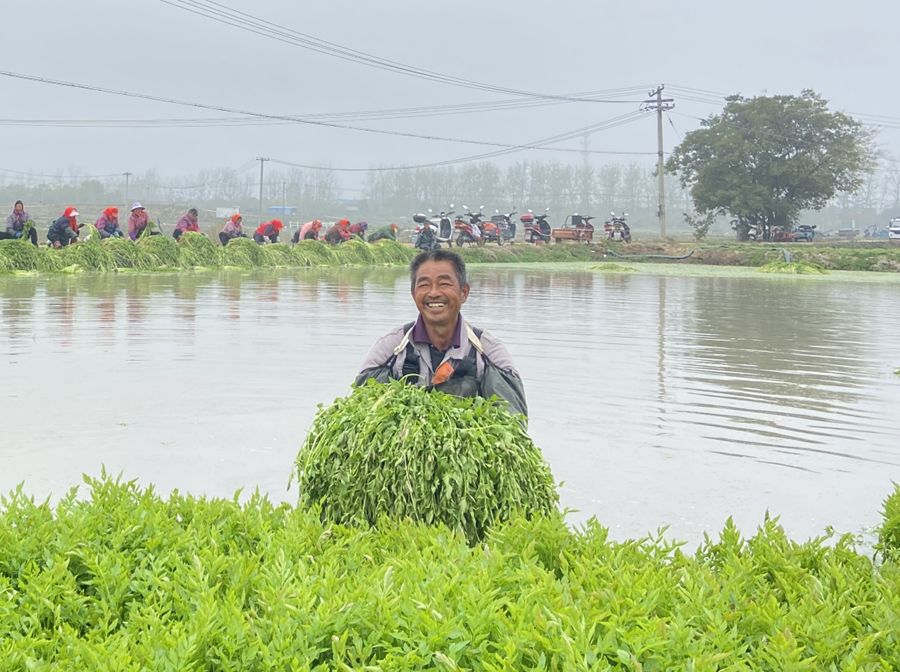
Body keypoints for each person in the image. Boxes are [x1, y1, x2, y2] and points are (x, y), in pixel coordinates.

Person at [356, 249, 527, 417]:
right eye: (424, 285)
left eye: (444, 284)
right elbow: (358, 413)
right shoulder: (391, 349)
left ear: (464, 293)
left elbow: (513, 424)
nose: (434, 293)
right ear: (413, 294)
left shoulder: (488, 352)